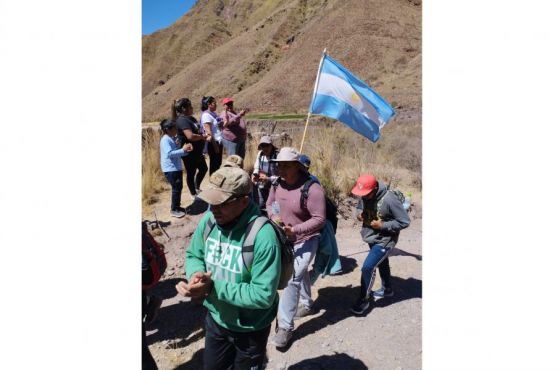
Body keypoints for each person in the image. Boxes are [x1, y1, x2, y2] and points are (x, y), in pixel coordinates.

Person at [175, 166, 282, 370]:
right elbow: (194, 255)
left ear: (243, 201)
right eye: (211, 202)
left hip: (251, 328)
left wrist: (212, 288)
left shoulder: (264, 237)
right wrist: (196, 275)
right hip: (217, 319)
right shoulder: (210, 221)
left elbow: (263, 294)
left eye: (221, 203)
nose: (214, 208)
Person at [266, 147, 326, 348]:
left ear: (298, 167)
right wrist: (273, 216)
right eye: (278, 165)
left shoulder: (312, 188)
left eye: (285, 165)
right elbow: (270, 204)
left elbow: (319, 219)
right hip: (285, 239)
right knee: (301, 273)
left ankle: (285, 326)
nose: (280, 169)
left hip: (307, 239)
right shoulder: (276, 184)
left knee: (292, 279)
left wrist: (297, 230)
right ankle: (307, 304)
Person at [349, 174, 411, 315]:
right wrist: (359, 215)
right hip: (371, 236)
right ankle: (387, 289)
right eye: (362, 195)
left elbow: (404, 221)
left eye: (367, 194)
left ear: (375, 188)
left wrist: (383, 225)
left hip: (385, 240)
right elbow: (359, 208)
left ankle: (364, 300)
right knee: (382, 263)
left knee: (367, 268)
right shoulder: (364, 193)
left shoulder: (389, 199)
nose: (364, 197)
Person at [172, 98, 208, 199]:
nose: (192, 108)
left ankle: (197, 187)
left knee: (203, 168)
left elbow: (198, 130)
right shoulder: (182, 120)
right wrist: (202, 137)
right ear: (184, 108)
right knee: (191, 172)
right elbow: (190, 136)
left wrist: (203, 135)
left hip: (198, 151)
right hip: (189, 153)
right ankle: (193, 193)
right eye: (190, 106)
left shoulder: (191, 119)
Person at [159, 119, 193, 218]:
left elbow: (176, 152)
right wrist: (183, 149)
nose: (176, 129)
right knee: (176, 189)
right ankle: (174, 209)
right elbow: (170, 154)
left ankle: (177, 207)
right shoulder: (165, 139)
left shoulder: (170, 138)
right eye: (174, 128)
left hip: (175, 168)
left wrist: (185, 150)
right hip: (171, 169)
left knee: (178, 188)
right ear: (168, 129)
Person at [251, 135, 279, 215]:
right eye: (263, 146)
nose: (265, 148)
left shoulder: (278, 156)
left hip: (275, 185)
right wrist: (254, 175)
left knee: (275, 207)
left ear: (271, 145)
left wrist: (268, 178)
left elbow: (282, 177)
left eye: (267, 145)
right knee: (261, 205)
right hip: (262, 184)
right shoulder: (260, 154)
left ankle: (275, 222)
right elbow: (256, 167)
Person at [201, 96, 224, 175]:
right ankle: (213, 181)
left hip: (219, 141)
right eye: (214, 103)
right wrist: (215, 146)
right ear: (209, 104)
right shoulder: (206, 115)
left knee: (218, 163)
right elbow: (209, 131)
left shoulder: (213, 114)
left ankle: (215, 181)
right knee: (214, 165)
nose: (216, 105)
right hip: (214, 142)